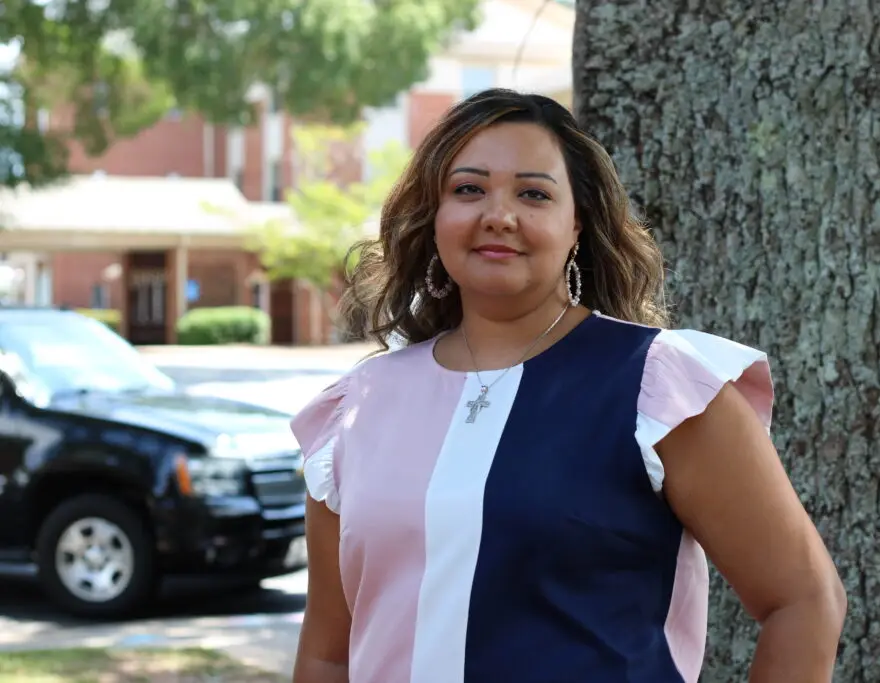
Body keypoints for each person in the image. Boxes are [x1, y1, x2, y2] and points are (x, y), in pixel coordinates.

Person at [290, 88, 846, 683]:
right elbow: (329, 651)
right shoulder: (360, 404)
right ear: (434, 216)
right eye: (468, 189)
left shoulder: (660, 388)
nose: (498, 215)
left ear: (576, 222)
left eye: (533, 193)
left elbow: (805, 602)